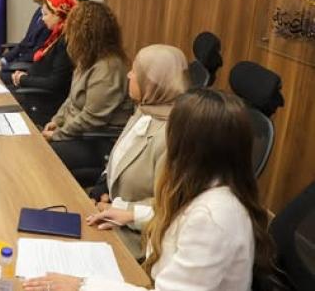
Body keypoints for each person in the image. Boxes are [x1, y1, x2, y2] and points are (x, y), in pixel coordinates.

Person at [22, 89, 278, 291]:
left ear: (186, 145)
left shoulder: (212, 219)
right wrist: (132, 215)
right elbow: (180, 220)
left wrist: (81, 285)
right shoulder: (211, 185)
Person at [88, 44, 189, 258]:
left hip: (138, 237)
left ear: (151, 84)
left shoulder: (172, 135)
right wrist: (102, 187)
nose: (129, 75)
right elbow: (120, 155)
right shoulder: (145, 109)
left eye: (135, 71)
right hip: (110, 214)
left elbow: (169, 207)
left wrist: (120, 208)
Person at [42, 1, 133, 185]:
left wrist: (59, 134)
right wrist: (57, 121)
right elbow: (71, 99)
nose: (67, 34)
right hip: (79, 134)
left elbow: (92, 118)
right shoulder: (87, 60)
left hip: (98, 141)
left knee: (43, 156)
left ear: (85, 34)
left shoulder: (108, 68)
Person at [5, 0, 76, 123]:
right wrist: (25, 75)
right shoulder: (56, 36)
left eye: (46, 14)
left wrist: (23, 79)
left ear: (58, 15)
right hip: (34, 90)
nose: (43, 19)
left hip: (44, 101)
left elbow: (55, 83)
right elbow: (44, 68)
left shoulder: (65, 42)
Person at [0, 0, 62, 68]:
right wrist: (4, 59)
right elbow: (26, 41)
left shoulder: (52, 21)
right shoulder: (40, 11)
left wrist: (8, 65)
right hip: (21, 62)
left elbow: (37, 54)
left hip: (30, 68)